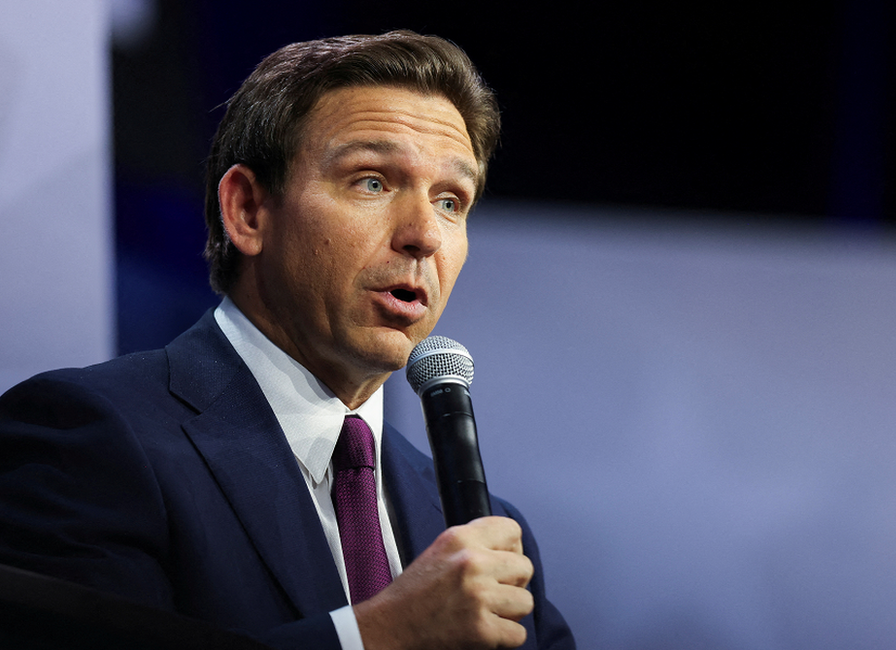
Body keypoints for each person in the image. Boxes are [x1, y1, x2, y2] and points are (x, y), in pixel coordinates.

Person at [0, 31, 574, 650]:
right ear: (248, 210)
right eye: (373, 182)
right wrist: (376, 637)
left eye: (449, 201)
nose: (423, 235)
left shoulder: (491, 535)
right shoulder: (85, 439)